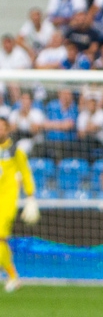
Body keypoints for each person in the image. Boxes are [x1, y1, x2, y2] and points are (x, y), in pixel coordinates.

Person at [0, 117, 39, 293]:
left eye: (2, 127)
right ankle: (13, 277)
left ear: (8, 130)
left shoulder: (15, 150)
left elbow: (25, 172)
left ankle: (13, 277)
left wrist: (30, 196)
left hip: (7, 201)